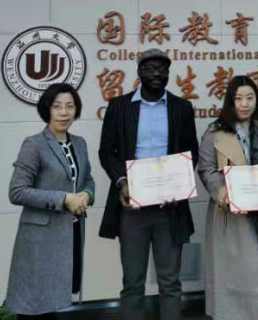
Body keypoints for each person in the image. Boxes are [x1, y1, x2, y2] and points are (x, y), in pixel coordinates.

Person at [98, 48, 198, 320]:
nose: (156, 73)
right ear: (139, 72)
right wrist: (122, 181)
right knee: (133, 281)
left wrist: (179, 186)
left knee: (170, 282)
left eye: (162, 69)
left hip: (170, 208)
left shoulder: (181, 108)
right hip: (133, 207)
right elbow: (107, 151)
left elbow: (191, 152)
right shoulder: (119, 106)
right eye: (150, 68)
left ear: (168, 74)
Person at [197, 76, 258, 320]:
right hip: (232, 217)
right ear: (230, 101)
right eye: (238, 98)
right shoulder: (214, 133)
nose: (244, 104)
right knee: (237, 276)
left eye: (250, 98)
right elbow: (206, 169)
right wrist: (222, 193)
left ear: (257, 100)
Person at [5, 83, 95, 319]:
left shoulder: (80, 143)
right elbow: (17, 191)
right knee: (35, 304)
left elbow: (87, 179)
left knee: (56, 301)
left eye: (69, 106)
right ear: (47, 109)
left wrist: (87, 194)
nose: (64, 112)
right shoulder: (34, 144)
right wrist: (64, 199)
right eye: (57, 107)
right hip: (40, 238)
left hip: (71, 233)